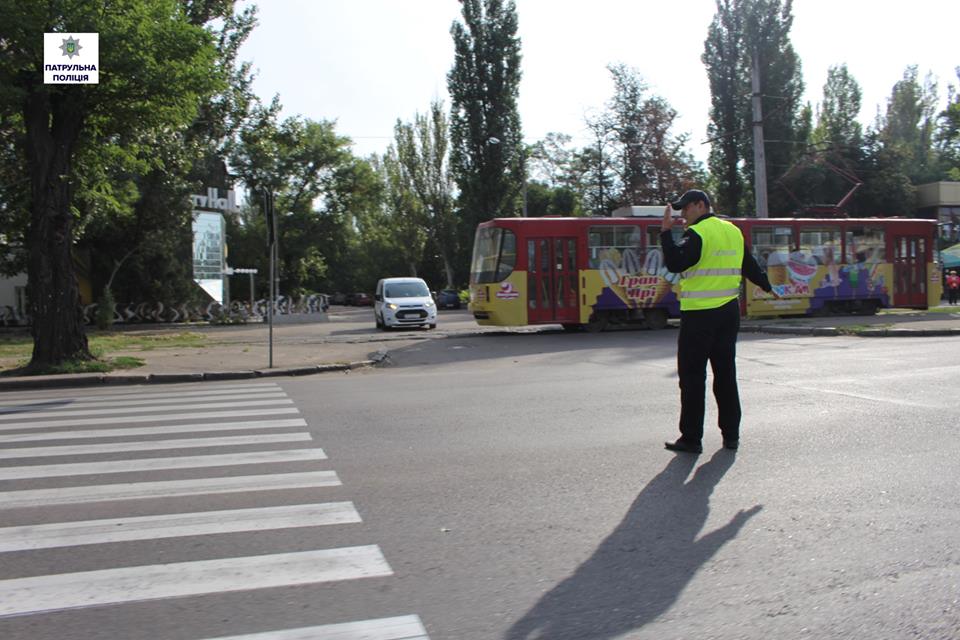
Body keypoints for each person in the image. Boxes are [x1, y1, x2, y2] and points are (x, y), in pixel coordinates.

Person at [660, 189, 774, 454]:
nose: (683, 216)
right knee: (725, 375)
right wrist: (767, 285)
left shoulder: (698, 234)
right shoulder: (733, 231)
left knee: (692, 377)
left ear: (701, 205)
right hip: (728, 313)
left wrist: (666, 233)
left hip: (699, 315)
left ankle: (691, 438)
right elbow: (749, 264)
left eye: (686, 209)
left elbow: (675, 263)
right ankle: (731, 436)